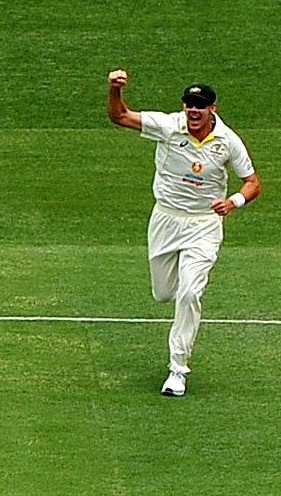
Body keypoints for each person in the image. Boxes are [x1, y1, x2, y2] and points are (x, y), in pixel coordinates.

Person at [107, 71, 261, 397]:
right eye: (190, 105)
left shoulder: (228, 141)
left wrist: (232, 202)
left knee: (189, 294)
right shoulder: (168, 126)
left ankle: (178, 370)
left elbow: (253, 182)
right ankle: (182, 289)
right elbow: (119, 116)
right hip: (165, 218)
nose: (194, 111)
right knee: (164, 293)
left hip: (204, 224)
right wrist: (114, 89)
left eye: (200, 106)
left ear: (213, 109)